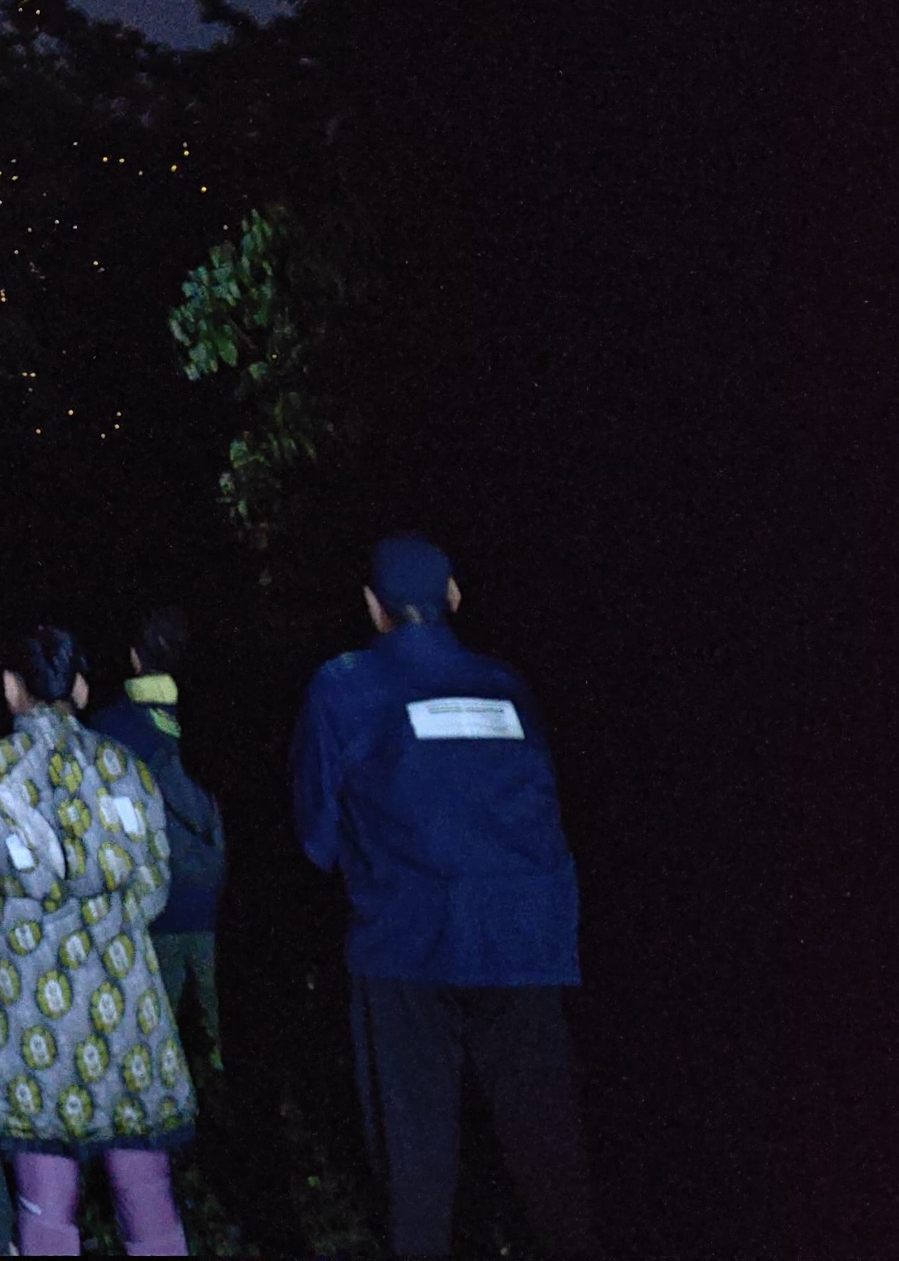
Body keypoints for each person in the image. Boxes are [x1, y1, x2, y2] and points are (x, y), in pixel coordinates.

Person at [292, 534, 591, 1258]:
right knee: (550, 1161)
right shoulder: (507, 684)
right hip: (527, 938)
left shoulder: (341, 685)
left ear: (373, 606)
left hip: (409, 944)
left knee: (417, 1167)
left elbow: (315, 836)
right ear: (454, 595)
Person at [0, 625, 194, 1257]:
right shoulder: (125, 768)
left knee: (45, 1201)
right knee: (146, 1189)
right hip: (125, 1005)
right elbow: (154, 889)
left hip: (29, 1011)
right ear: (80, 688)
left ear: (11, 689)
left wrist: (26, 926)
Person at [88, 607, 227, 1072]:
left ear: (134, 658)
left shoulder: (107, 729)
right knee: (226, 1043)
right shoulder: (214, 716)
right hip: (214, 903)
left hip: (151, 910)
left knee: (150, 1048)